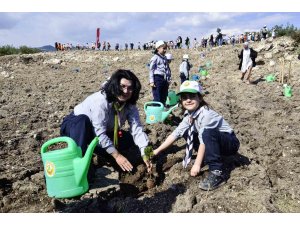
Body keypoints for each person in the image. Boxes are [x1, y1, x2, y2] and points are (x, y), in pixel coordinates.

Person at [150, 81, 240, 190]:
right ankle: (207, 156)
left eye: (192, 96)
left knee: (207, 132)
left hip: (229, 143)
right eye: (184, 97)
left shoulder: (206, 115)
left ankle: (217, 172)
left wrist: (197, 164)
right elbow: (176, 133)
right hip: (213, 142)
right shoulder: (189, 115)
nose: (188, 100)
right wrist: (157, 151)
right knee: (185, 131)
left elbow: (203, 141)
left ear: (200, 98)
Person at [60, 69, 152, 174]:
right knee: (83, 121)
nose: (126, 91)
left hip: (99, 132)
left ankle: (96, 149)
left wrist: (144, 152)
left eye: (130, 88)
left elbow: (137, 129)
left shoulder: (129, 105)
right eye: (122, 86)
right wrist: (117, 155)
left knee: (128, 139)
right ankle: (81, 163)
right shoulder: (101, 101)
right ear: (115, 85)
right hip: (76, 127)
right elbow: (99, 133)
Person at [149, 40, 170, 105]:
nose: (165, 50)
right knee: (157, 95)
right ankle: (156, 109)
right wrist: (151, 81)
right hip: (157, 78)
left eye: (166, 49)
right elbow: (151, 69)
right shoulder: (155, 57)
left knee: (164, 95)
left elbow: (167, 70)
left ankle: (162, 108)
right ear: (158, 48)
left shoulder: (164, 58)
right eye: (163, 48)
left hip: (164, 79)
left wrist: (168, 79)